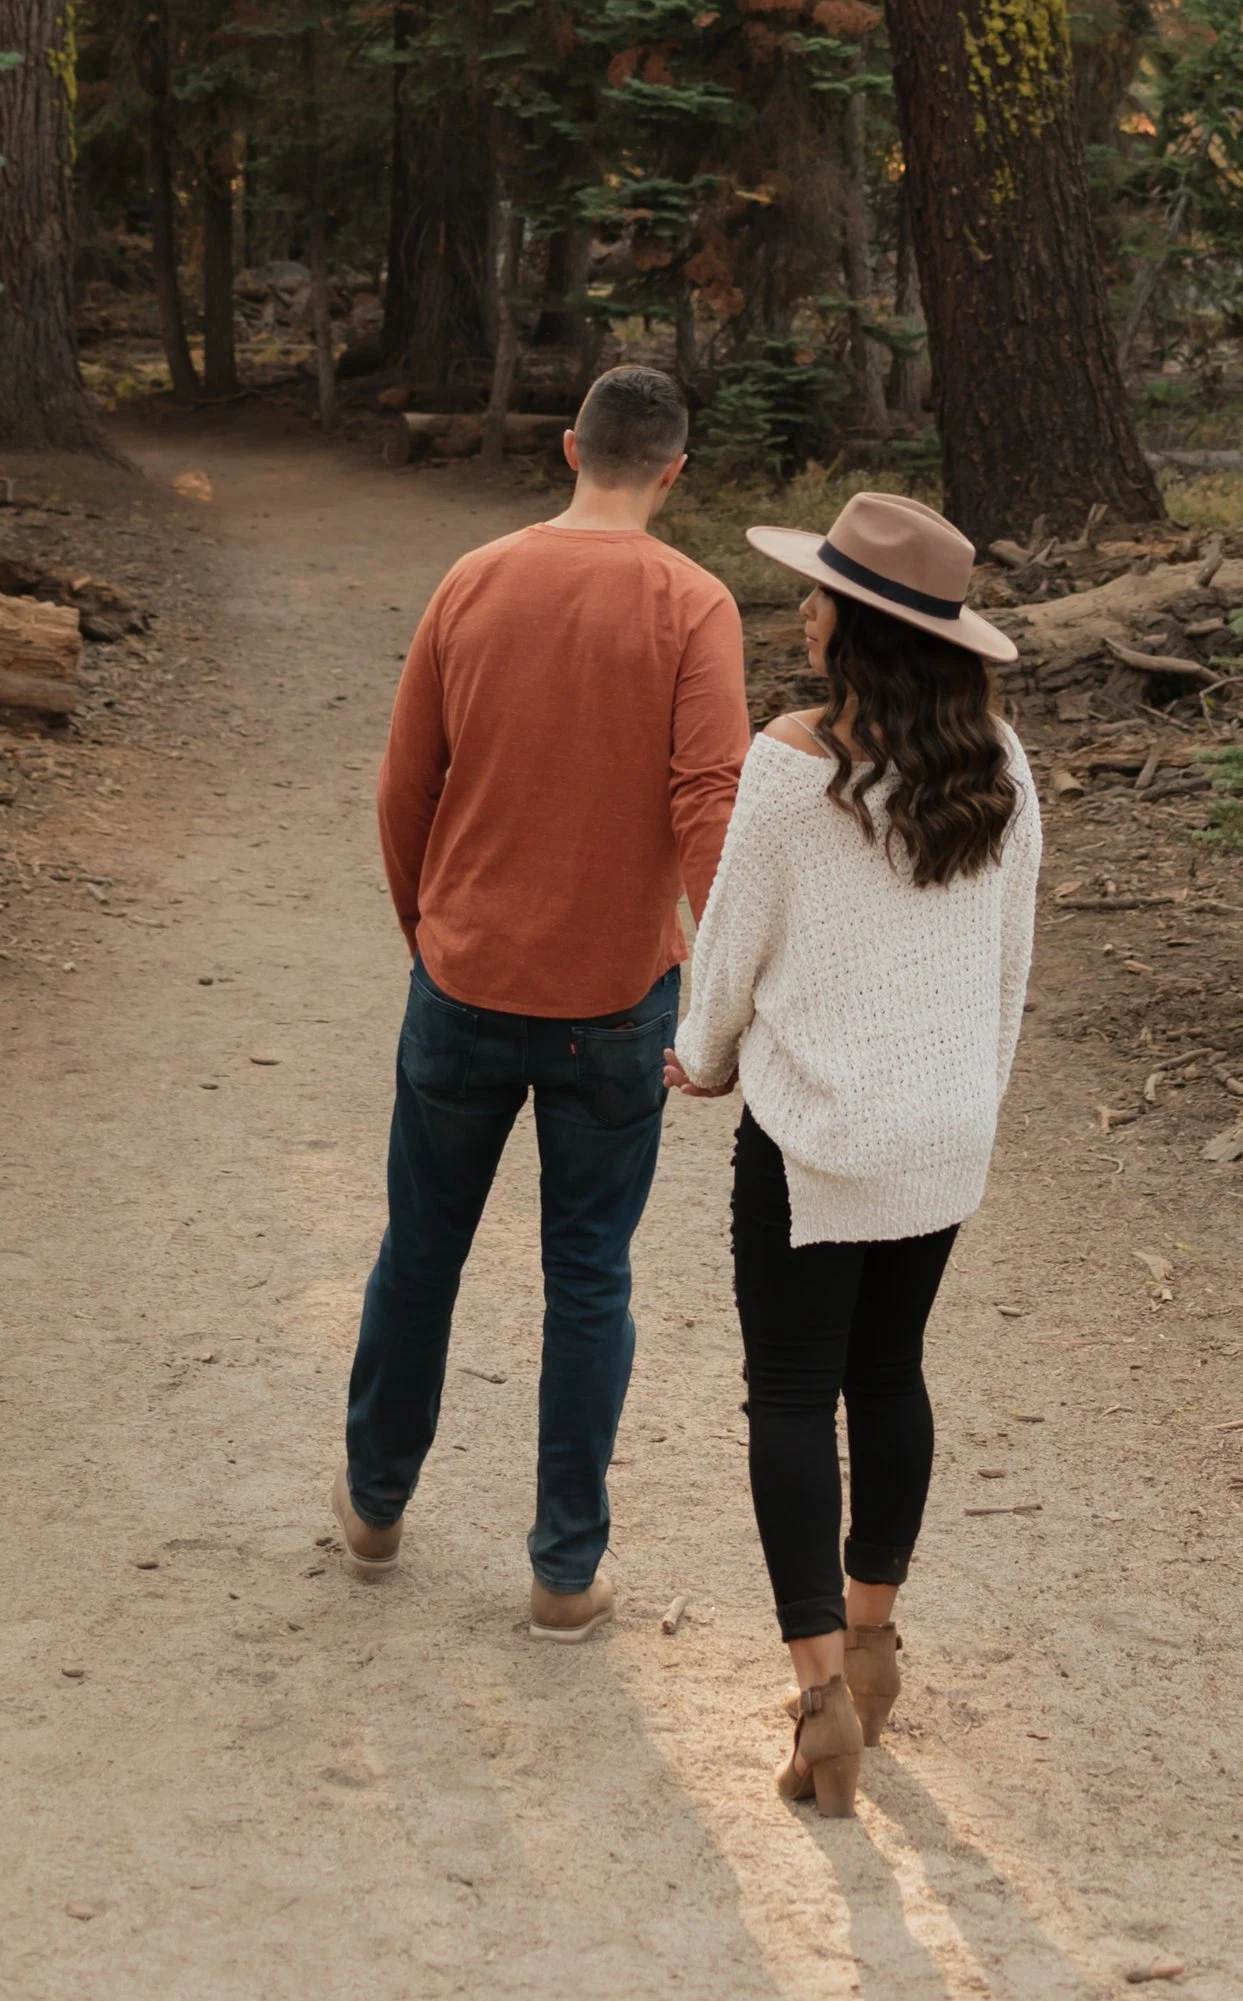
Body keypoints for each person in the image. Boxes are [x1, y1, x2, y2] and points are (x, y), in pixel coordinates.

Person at [334, 362, 749, 1636]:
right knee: (588, 1275)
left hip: (462, 980)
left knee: (422, 1253)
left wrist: (432, 931)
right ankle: (563, 1573)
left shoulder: (475, 578)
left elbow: (406, 786)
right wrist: (718, 996)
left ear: (572, 447)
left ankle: (374, 1508)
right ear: (673, 471)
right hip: (616, 998)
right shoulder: (693, 601)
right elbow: (708, 803)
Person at [668, 490, 1039, 1814]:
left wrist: (703, 1056)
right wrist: (969, 1102)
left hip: (817, 1132)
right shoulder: (999, 765)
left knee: (789, 1395)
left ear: (859, 630)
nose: (804, 607)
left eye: (821, 592)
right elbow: (1007, 970)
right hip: (940, 1131)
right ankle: (875, 1645)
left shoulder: (789, 765)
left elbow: (732, 952)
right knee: (891, 1373)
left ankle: (823, 1696)